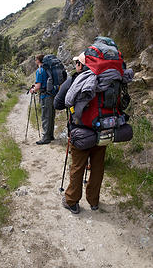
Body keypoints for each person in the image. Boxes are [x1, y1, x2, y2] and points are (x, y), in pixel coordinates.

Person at [54, 52, 106, 214]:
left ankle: (71, 201)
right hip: (103, 130)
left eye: (77, 62)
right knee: (97, 167)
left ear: (81, 65)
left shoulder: (75, 80)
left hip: (81, 131)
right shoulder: (106, 79)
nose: (75, 65)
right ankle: (94, 201)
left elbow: (58, 103)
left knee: (77, 167)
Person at [30, 54, 55, 145]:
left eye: (35, 59)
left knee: (45, 116)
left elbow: (38, 86)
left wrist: (33, 90)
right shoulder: (48, 69)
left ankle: (45, 138)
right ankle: (50, 135)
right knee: (51, 115)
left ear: (38, 61)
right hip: (52, 95)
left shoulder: (39, 71)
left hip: (45, 96)